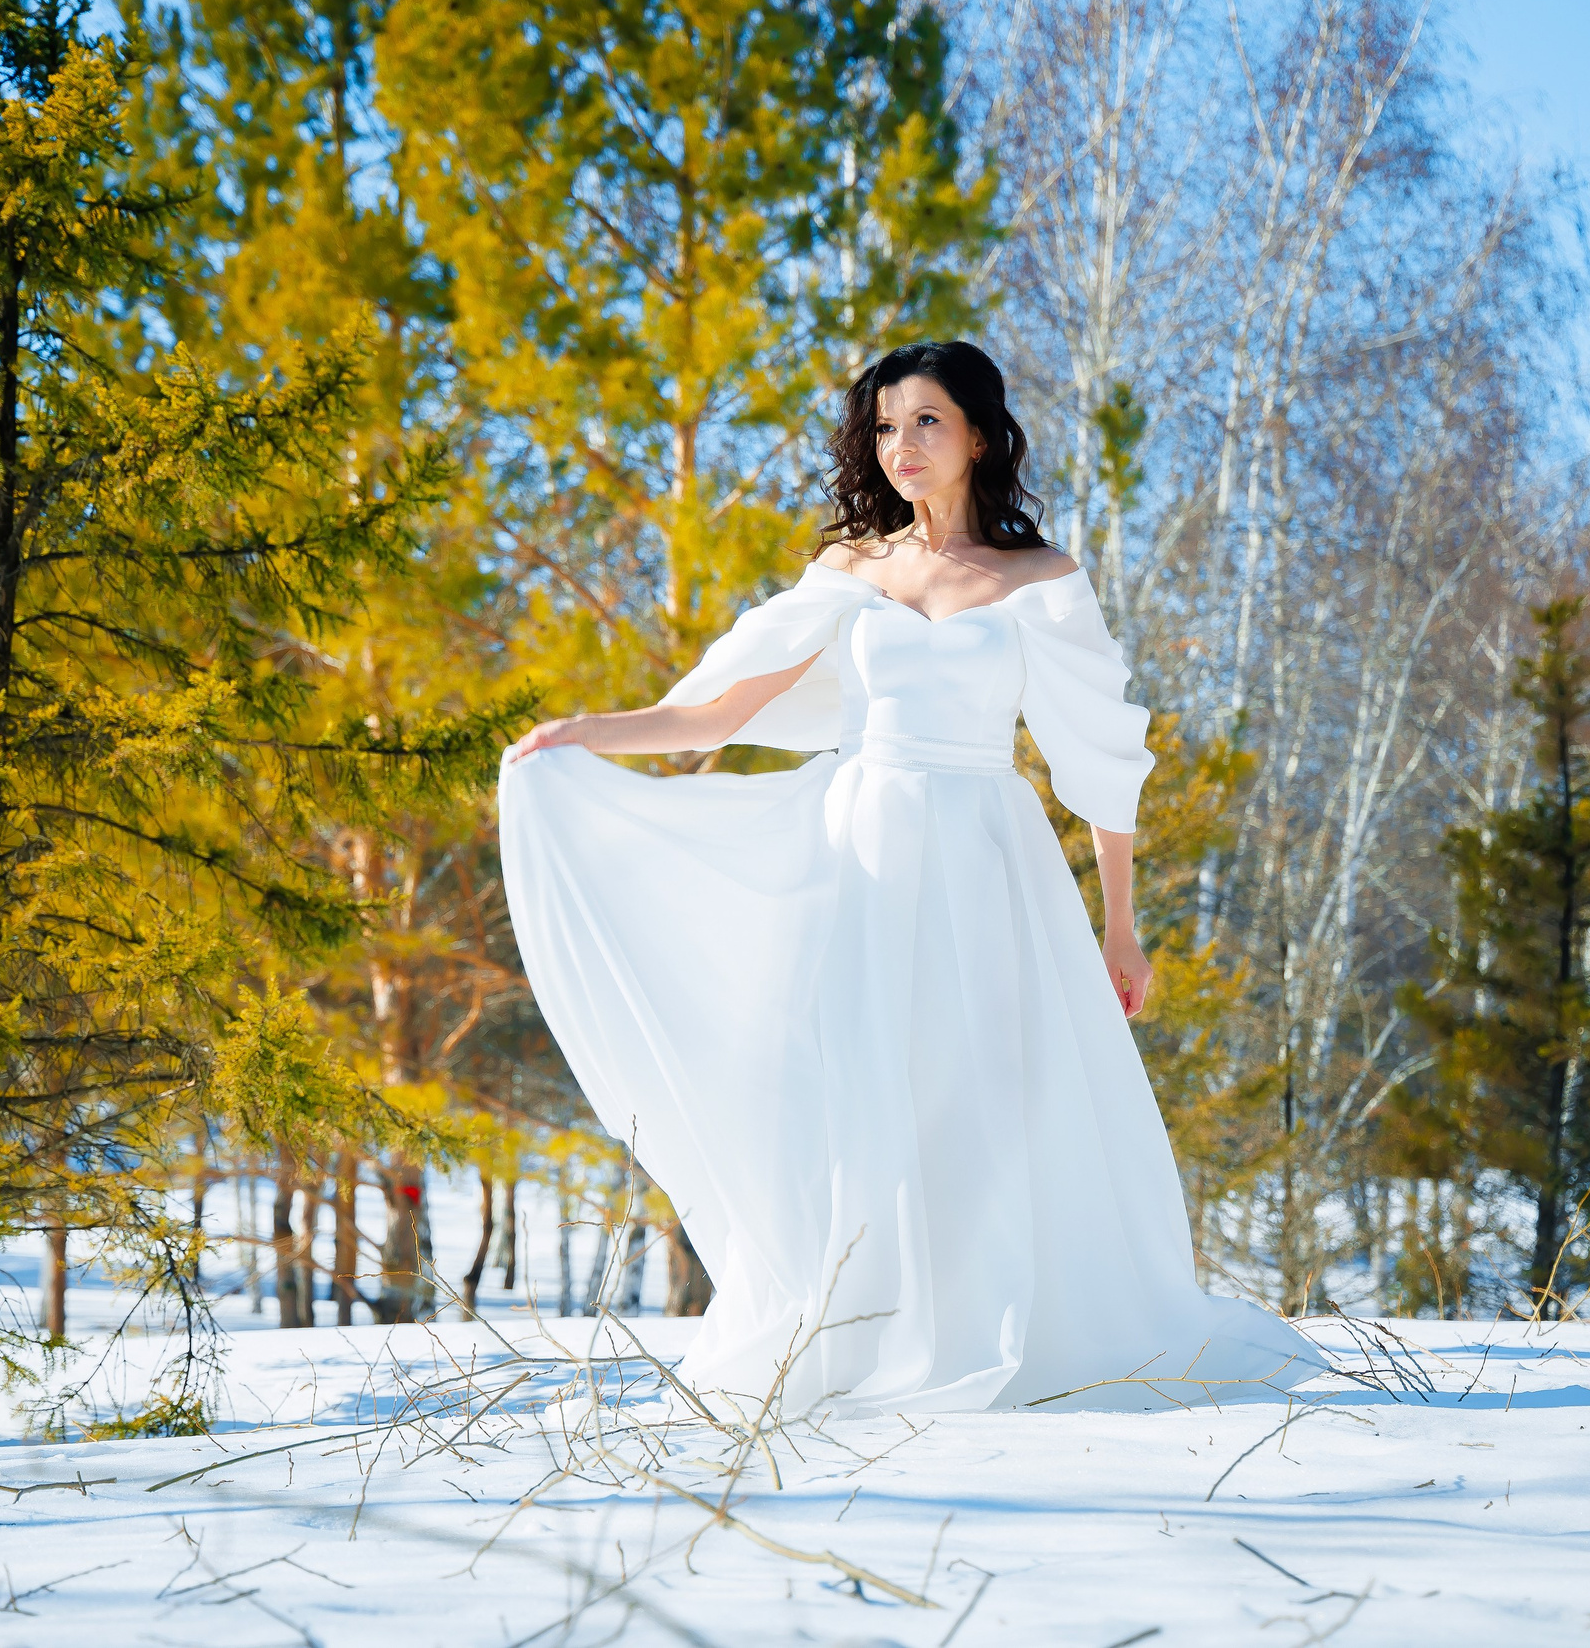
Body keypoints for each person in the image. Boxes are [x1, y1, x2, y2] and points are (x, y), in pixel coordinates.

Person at [498, 341, 1317, 1414]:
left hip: (986, 857)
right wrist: (581, 733)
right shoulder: (850, 573)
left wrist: (1122, 928)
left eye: (926, 421)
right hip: (864, 852)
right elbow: (717, 712)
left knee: (986, 1088)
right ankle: (859, 1329)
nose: (902, 447)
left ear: (979, 432)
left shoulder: (1039, 580)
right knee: (860, 1086)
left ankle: (1007, 1324)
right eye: (885, 428)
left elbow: (1101, 762)